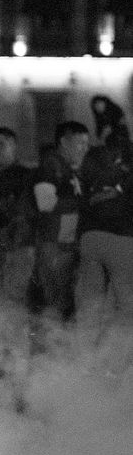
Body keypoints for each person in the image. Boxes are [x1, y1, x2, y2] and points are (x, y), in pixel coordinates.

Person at [74, 128, 133, 371]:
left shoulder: (91, 160)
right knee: (126, 307)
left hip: (90, 237)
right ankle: (119, 367)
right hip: (123, 239)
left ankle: (85, 365)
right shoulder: (127, 163)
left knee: (90, 306)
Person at [30, 120, 90, 323]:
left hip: (65, 245)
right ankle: (51, 350)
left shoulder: (70, 169)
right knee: (54, 303)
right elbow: (45, 203)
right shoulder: (51, 164)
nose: (84, 148)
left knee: (63, 301)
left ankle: (61, 348)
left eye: (86, 143)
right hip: (54, 246)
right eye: (80, 142)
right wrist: (83, 203)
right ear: (64, 142)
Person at [0, 126, 36, 304]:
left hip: (19, 246)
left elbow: (19, 210)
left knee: (14, 297)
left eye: (1, 144)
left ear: (14, 145)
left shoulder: (25, 176)